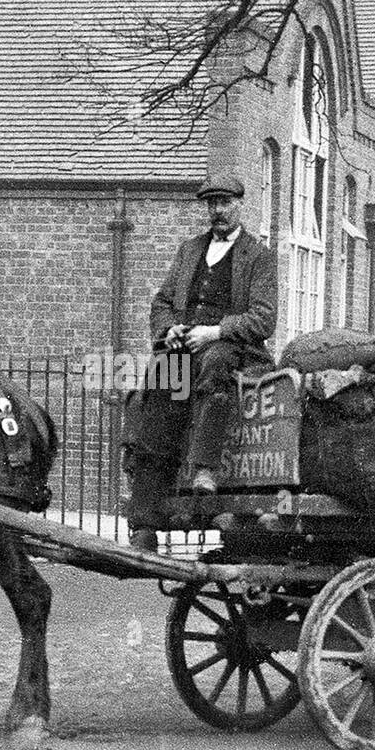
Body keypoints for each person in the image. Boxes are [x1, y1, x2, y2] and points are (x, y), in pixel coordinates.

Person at [127, 173, 278, 552]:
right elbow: (161, 301)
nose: (218, 211)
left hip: (233, 350)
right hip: (185, 348)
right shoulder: (190, 250)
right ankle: (146, 523)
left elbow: (263, 319)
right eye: (212, 204)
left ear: (240, 205)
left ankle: (205, 469)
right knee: (160, 389)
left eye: (225, 203)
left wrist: (215, 332)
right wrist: (170, 329)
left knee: (215, 365)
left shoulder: (258, 256)